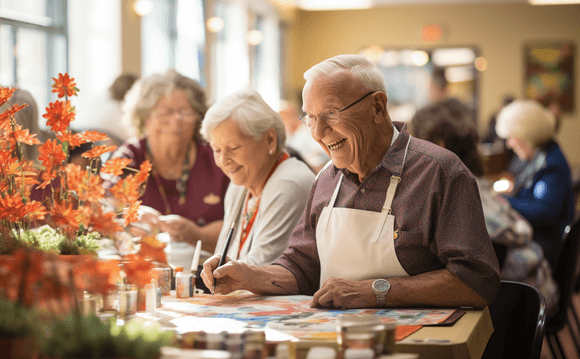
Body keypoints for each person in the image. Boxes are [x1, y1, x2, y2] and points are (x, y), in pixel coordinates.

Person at [201, 54, 500, 309]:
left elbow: (476, 281)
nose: (318, 133)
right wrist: (251, 276)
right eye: (310, 118)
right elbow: (302, 266)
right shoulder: (326, 180)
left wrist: (374, 291)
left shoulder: (439, 173)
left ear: (378, 108)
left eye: (331, 113)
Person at [411, 99, 559, 314]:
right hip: (530, 286)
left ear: (439, 144)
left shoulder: (460, 195)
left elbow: (545, 212)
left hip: (515, 303)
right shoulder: (473, 184)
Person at [105, 69, 229, 253]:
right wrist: (131, 216)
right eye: (165, 112)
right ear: (144, 117)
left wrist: (198, 235)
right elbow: (107, 211)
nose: (175, 121)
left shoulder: (216, 157)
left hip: (209, 269)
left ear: (198, 118)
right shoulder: (129, 158)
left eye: (185, 112)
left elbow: (240, 224)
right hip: (144, 266)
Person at [200, 89, 315, 267]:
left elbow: (260, 269)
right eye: (217, 150)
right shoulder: (240, 185)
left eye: (234, 148)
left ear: (269, 139)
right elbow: (222, 259)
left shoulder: (288, 183)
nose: (223, 160)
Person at [495, 99, 575, 268]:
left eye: (512, 137)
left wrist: (501, 200)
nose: (509, 144)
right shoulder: (538, 155)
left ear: (527, 134)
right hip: (537, 238)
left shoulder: (550, 164)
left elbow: (545, 212)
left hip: (546, 246)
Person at [72, 73, 139, 146]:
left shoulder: (93, 101)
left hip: (75, 143)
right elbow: (133, 139)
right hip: (102, 148)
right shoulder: (121, 111)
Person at [280, 100, 330, 173]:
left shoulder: (309, 131)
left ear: (292, 115)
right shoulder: (288, 137)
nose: (283, 123)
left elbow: (321, 153)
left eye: (284, 118)